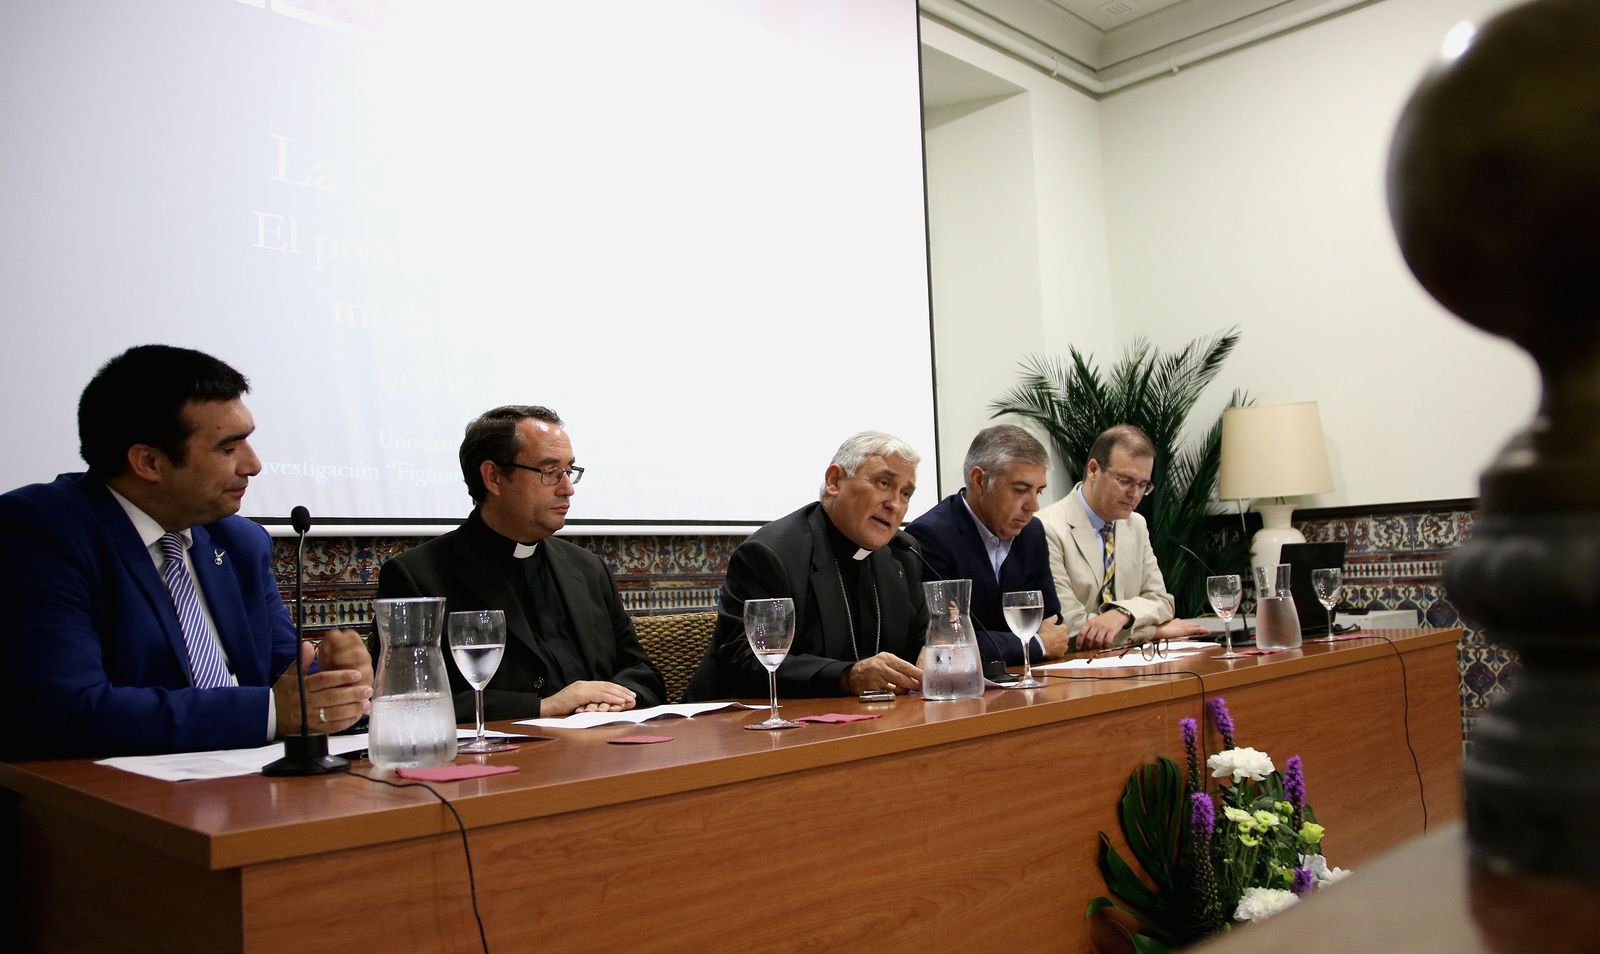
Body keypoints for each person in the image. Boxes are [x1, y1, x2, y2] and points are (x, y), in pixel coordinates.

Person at [0, 345, 373, 760]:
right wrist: (271, 711)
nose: (253, 465)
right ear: (149, 462)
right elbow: (68, 709)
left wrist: (337, 685)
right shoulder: (41, 533)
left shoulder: (240, 542)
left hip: (251, 787)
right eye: (229, 448)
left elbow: (285, 678)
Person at [376, 406, 664, 721]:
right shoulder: (418, 575)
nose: (567, 488)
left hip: (604, 746)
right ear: (494, 477)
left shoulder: (587, 567)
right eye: (549, 471)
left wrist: (614, 698)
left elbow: (642, 672)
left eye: (570, 471)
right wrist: (543, 707)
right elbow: (403, 700)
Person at [686, 431, 929, 701]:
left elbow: (922, 639)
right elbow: (746, 661)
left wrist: (932, 651)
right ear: (834, 480)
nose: (894, 504)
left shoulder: (902, 554)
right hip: (745, 726)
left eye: (905, 493)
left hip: (863, 725)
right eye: (884, 483)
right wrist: (846, 676)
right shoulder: (771, 554)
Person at [906, 425, 1070, 666]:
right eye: (1021, 490)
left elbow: (1052, 625)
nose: (1033, 505)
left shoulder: (1032, 532)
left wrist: (1040, 639)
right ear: (980, 481)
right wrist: (1037, 644)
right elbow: (943, 643)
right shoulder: (930, 536)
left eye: (1039, 491)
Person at [1036, 424, 1210, 651]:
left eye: (1143, 485)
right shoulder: (1046, 528)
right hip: (1075, 672)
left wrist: (1122, 615)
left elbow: (1162, 602)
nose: (1135, 494)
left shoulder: (1135, 524)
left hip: (1133, 666)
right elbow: (1070, 627)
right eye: (1125, 480)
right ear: (1093, 470)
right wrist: (1154, 632)